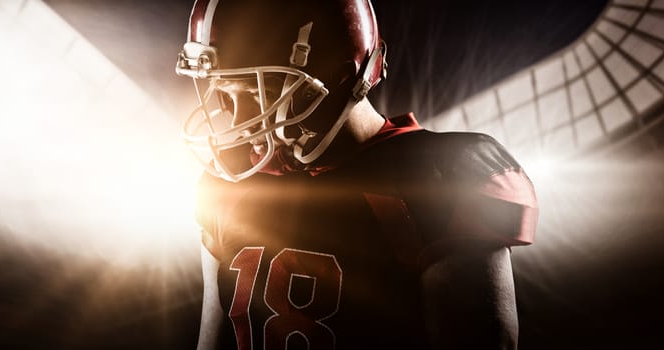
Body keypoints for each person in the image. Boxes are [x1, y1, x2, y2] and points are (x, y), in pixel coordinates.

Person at [175, 0, 538, 348]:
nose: (237, 121)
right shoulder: (227, 186)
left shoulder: (435, 178)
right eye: (225, 95)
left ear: (335, 76)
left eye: (259, 92)